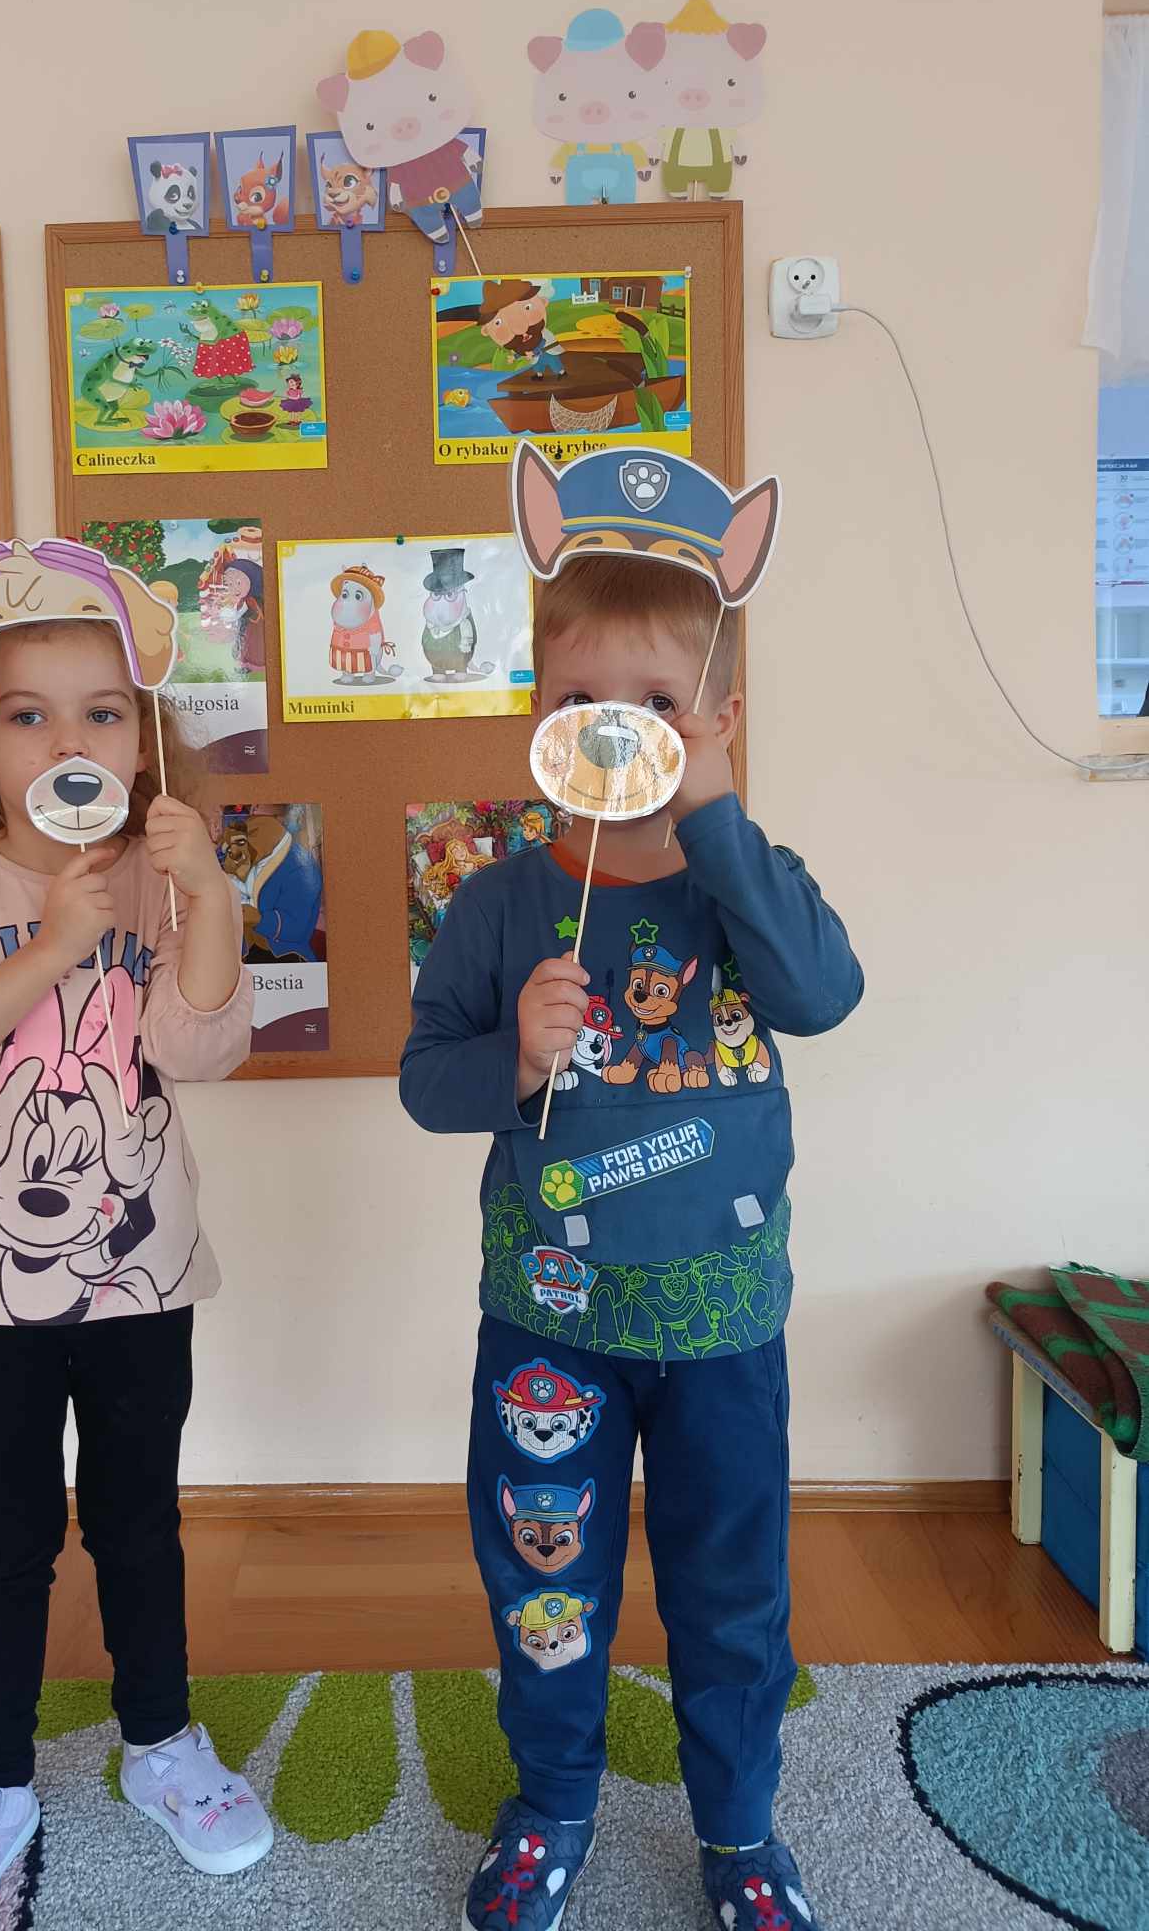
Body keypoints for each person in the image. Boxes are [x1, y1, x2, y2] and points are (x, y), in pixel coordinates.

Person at [401, 548, 863, 1931]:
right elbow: (426, 1082)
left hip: (724, 1329)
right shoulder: (496, 903)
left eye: (658, 701)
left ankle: (738, 1828)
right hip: (551, 1327)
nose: (619, 730)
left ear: (721, 718)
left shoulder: (751, 884)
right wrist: (514, 1061)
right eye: (580, 701)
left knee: (733, 1594)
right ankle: (553, 1804)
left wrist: (716, 818)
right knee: (546, 1583)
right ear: (538, 716)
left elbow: (822, 994)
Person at [0, 606, 273, 1931]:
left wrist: (208, 896)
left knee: (141, 1517)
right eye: (29, 714)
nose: (67, 739)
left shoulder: (164, 871)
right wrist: (47, 945)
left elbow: (201, 1051)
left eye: (102, 711)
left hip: (141, 1275)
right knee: (9, 1533)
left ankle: (161, 1742)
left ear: (143, 740)